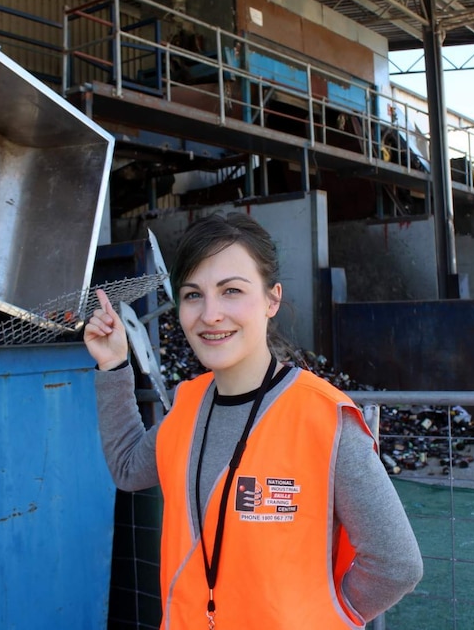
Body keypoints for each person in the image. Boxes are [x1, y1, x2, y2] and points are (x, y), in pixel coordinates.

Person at [84, 212, 423, 629]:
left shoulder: (324, 418)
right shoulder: (187, 407)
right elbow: (127, 467)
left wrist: (324, 619)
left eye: (231, 291)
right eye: (193, 295)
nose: (210, 314)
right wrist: (114, 366)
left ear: (271, 299)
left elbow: (397, 564)